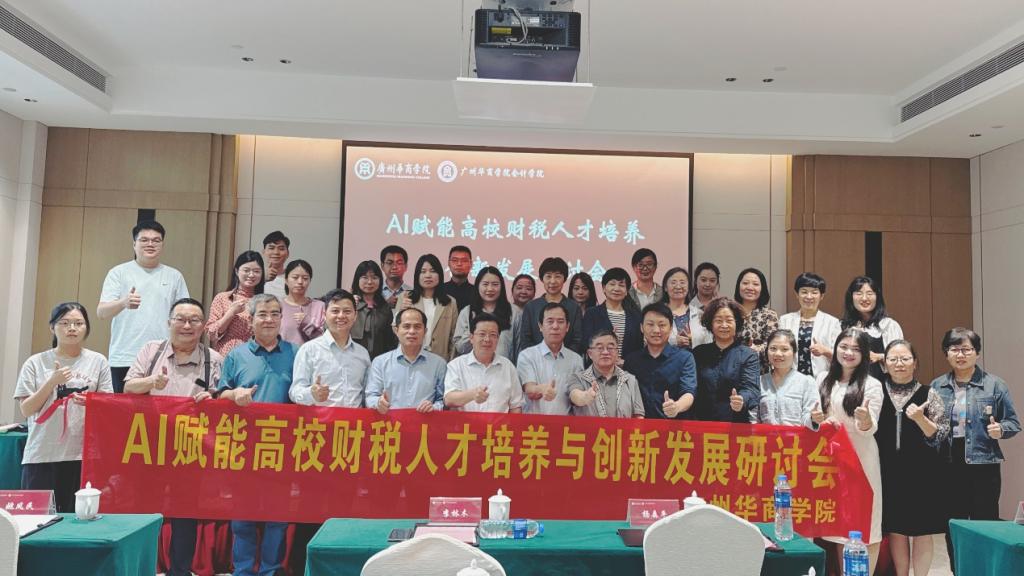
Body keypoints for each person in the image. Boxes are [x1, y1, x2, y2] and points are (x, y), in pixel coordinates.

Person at [123, 297, 221, 576]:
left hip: (191, 447)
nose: (187, 325)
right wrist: (151, 382)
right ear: (169, 322)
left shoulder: (214, 359)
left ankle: (180, 570)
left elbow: (221, 400)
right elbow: (128, 387)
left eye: (194, 320)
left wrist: (212, 399)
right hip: (150, 445)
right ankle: (141, 568)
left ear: (203, 325)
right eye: (181, 319)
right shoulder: (151, 350)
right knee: (144, 511)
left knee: (185, 514)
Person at [216, 294, 297, 576]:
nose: (269, 319)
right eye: (262, 314)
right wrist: (234, 394)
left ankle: (271, 570)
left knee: (278, 517)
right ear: (250, 320)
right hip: (244, 449)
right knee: (242, 518)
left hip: (282, 448)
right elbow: (220, 394)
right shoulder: (236, 355)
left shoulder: (295, 352)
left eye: (275, 314)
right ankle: (243, 571)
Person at [929, 327, 1019, 568]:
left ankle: (985, 571)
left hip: (984, 464)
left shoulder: (994, 385)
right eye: (954, 349)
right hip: (948, 463)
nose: (960, 355)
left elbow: (1013, 423)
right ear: (946, 353)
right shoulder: (937, 386)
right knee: (953, 523)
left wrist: (1001, 429)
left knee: (986, 523)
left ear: (977, 353)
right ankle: (958, 569)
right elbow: (931, 428)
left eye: (966, 349)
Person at [15, 302, 112, 512]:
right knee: (38, 520)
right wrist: (52, 382)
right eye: (65, 323)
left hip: (83, 456)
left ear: (87, 327)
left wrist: (92, 402)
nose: (72, 328)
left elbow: (109, 407)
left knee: (79, 520)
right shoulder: (35, 362)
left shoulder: (98, 361)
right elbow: (26, 409)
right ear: (52, 327)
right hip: (42, 454)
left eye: (79, 323)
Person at [810, 328, 883, 573]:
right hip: (830, 461)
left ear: (865, 355)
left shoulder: (872, 385)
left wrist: (864, 420)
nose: (849, 353)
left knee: (867, 524)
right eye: (844, 346)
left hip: (861, 459)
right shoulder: (822, 379)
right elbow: (815, 418)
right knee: (842, 526)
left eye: (856, 349)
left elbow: (870, 427)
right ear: (836, 348)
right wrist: (818, 419)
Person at [876, 340, 948, 576]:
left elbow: (940, 434)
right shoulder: (876, 392)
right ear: (885, 364)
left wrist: (919, 418)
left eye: (905, 358)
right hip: (887, 471)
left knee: (922, 530)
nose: (899, 364)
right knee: (896, 529)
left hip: (922, 472)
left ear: (915, 363)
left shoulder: (929, 393)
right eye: (893, 359)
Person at [97, 220, 189, 393]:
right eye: (144, 240)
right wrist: (123, 303)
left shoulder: (174, 276)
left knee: (160, 408)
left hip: (162, 356)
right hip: (125, 355)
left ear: (162, 245)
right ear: (134, 244)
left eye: (156, 240)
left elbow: (185, 314)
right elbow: (101, 312)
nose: (150, 244)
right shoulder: (118, 272)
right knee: (124, 407)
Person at [290, 289, 372, 407]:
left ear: (355, 316)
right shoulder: (309, 350)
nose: (341, 316)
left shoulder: (362, 353)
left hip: (355, 418)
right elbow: (295, 391)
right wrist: (311, 393)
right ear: (324, 315)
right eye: (335, 311)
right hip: (320, 418)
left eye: (347, 311)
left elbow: (366, 394)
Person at [691, 297, 760, 423]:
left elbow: (752, 389)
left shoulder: (748, 355)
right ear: (710, 323)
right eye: (718, 320)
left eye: (729, 320)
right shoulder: (698, 353)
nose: (724, 325)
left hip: (735, 423)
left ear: (737, 323)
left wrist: (742, 400)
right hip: (702, 423)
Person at [365, 307, 446, 414]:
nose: (412, 331)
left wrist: (434, 407)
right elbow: (370, 397)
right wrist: (378, 403)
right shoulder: (380, 362)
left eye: (417, 327)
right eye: (406, 326)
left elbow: (443, 401)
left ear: (425, 331)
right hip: (391, 423)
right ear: (396, 330)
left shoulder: (438, 364)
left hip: (425, 423)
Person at [624, 303, 697, 420]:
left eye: (662, 325)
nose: (656, 330)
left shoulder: (685, 358)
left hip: (673, 427)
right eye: (650, 324)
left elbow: (688, 393)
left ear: (671, 328)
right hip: (640, 427)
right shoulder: (631, 360)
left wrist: (677, 406)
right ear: (641, 327)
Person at [444, 312, 523, 413]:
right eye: (482, 334)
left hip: (499, 423)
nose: (487, 339)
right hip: (465, 423)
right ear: (471, 338)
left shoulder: (508, 367)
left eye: (493, 335)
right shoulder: (456, 365)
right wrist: (472, 395)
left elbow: (516, 406)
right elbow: (449, 399)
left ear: (498, 339)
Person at [517, 302, 584, 415]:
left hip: (564, 424)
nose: (555, 326)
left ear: (567, 327)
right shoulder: (527, 355)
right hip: (533, 424)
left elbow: (576, 394)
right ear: (540, 326)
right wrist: (542, 389)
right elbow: (529, 389)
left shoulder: (576, 359)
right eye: (550, 321)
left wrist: (584, 396)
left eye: (560, 321)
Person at [516, 257, 584, 360]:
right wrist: (540, 358)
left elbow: (577, 339)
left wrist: (562, 358)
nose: (552, 281)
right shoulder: (531, 307)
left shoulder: (574, 307)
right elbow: (526, 339)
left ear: (564, 279)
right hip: (536, 362)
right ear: (542, 279)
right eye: (548, 276)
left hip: (566, 361)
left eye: (557, 276)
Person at [569, 331, 645, 418]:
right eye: (600, 348)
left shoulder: (630, 380)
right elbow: (574, 395)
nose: (605, 352)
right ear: (590, 354)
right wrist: (586, 397)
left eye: (610, 348)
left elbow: (638, 416)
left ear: (617, 352)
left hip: (623, 427)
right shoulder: (578, 378)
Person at [751, 329, 818, 428]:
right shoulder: (759, 382)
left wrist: (813, 419)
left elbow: (809, 419)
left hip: (796, 438)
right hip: (766, 438)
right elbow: (753, 418)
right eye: (773, 348)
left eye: (784, 349)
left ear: (794, 352)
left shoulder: (807, 382)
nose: (778, 354)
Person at [778, 272, 841, 378]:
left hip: (821, 379)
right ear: (797, 294)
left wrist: (825, 351)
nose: (809, 296)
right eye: (804, 292)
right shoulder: (785, 320)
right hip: (791, 379)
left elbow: (841, 356)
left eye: (814, 292)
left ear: (822, 296)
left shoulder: (832, 322)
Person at [841, 276, 903, 381]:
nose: (864, 298)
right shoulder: (841, 326)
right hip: (849, 384)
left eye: (869, 294)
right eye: (859, 294)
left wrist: (878, 357)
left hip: (882, 383)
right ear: (851, 297)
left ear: (877, 297)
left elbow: (901, 358)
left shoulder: (888, 325)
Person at [396, 254, 458, 360]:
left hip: (440, 359)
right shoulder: (406, 297)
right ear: (417, 275)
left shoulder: (450, 302)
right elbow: (395, 328)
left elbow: (453, 337)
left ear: (440, 274)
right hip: (410, 357)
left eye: (433, 271)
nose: (428, 275)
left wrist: (450, 362)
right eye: (423, 271)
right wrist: (401, 312)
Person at [207, 251, 265, 355]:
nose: (251, 275)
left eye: (256, 271)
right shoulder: (223, 298)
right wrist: (231, 312)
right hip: (227, 354)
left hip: (255, 354)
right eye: (246, 270)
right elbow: (211, 334)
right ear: (237, 271)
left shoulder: (264, 302)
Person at [453, 266, 514, 360]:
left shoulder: (513, 312)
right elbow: (460, 348)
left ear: (502, 286)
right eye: (485, 284)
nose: (490, 289)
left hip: (503, 367)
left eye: (495, 284)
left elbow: (519, 346)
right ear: (478, 286)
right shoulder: (467, 312)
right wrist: (472, 328)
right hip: (472, 367)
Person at [581, 267, 643, 360]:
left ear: (627, 291)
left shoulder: (635, 316)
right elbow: (586, 343)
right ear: (604, 288)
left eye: (621, 285)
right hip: (599, 365)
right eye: (612, 284)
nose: (616, 288)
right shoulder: (592, 313)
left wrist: (626, 362)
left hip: (628, 367)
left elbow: (638, 347)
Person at [733, 267, 779, 372]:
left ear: (762, 288)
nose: (750, 287)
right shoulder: (730, 312)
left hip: (759, 371)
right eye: (745, 283)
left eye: (755, 284)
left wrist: (755, 350)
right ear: (738, 286)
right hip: (731, 368)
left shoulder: (769, 315)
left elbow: (773, 345)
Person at [350, 260, 397, 359]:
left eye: (374, 277)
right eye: (365, 277)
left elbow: (390, 341)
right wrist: (348, 305)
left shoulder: (385, 308)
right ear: (357, 280)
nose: (370, 282)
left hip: (379, 361)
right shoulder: (350, 304)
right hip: (352, 360)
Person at [661, 267, 710, 350]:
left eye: (682, 282)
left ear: (688, 287)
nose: (678, 286)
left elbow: (708, 340)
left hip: (696, 357)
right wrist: (673, 341)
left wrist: (693, 339)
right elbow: (649, 340)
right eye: (673, 282)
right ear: (665, 287)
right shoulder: (657, 313)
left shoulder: (699, 314)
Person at [279, 259, 325, 347]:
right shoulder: (277, 306)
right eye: (295, 277)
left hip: (312, 354)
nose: (300, 282)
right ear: (286, 280)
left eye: (305, 278)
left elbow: (324, 340)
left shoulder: (319, 306)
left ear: (310, 281)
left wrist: (308, 323)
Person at [443, 245, 475, 310]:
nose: (459, 264)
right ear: (449, 263)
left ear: (471, 264)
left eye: (464, 260)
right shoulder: (440, 290)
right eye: (455, 260)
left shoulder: (477, 292)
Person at [260, 231, 290, 298]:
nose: (276, 252)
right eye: (271, 248)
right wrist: (262, 278)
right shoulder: (255, 275)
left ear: (288, 253)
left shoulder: (292, 278)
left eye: (281, 249)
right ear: (263, 252)